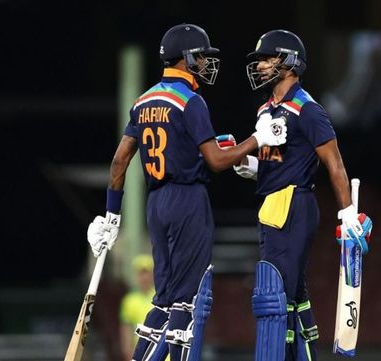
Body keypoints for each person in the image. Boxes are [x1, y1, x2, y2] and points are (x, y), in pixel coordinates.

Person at [86, 23, 287, 361]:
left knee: (163, 300)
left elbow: (120, 160)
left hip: (156, 202)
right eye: (203, 57)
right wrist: (257, 139)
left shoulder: (143, 101)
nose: (206, 64)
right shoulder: (190, 101)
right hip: (186, 200)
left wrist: (111, 214)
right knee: (187, 302)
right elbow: (217, 161)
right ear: (187, 57)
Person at [232, 29, 373, 361]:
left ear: (290, 62)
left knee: (278, 298)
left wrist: (348, 215)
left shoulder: (307, 109)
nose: (262, 66)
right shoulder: (265, 110)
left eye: (268, 58)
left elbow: (334, 164)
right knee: (293, 296)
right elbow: (278, 161)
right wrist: (251, 166)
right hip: (272, 204)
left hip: (295, 204)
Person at [119, 254, 155, 361]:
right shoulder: (129, 300)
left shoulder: (162, 298)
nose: (144, 277)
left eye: (147, 273)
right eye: (141, 273)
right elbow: (126, 330)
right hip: (140, 354)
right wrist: (127, 352)